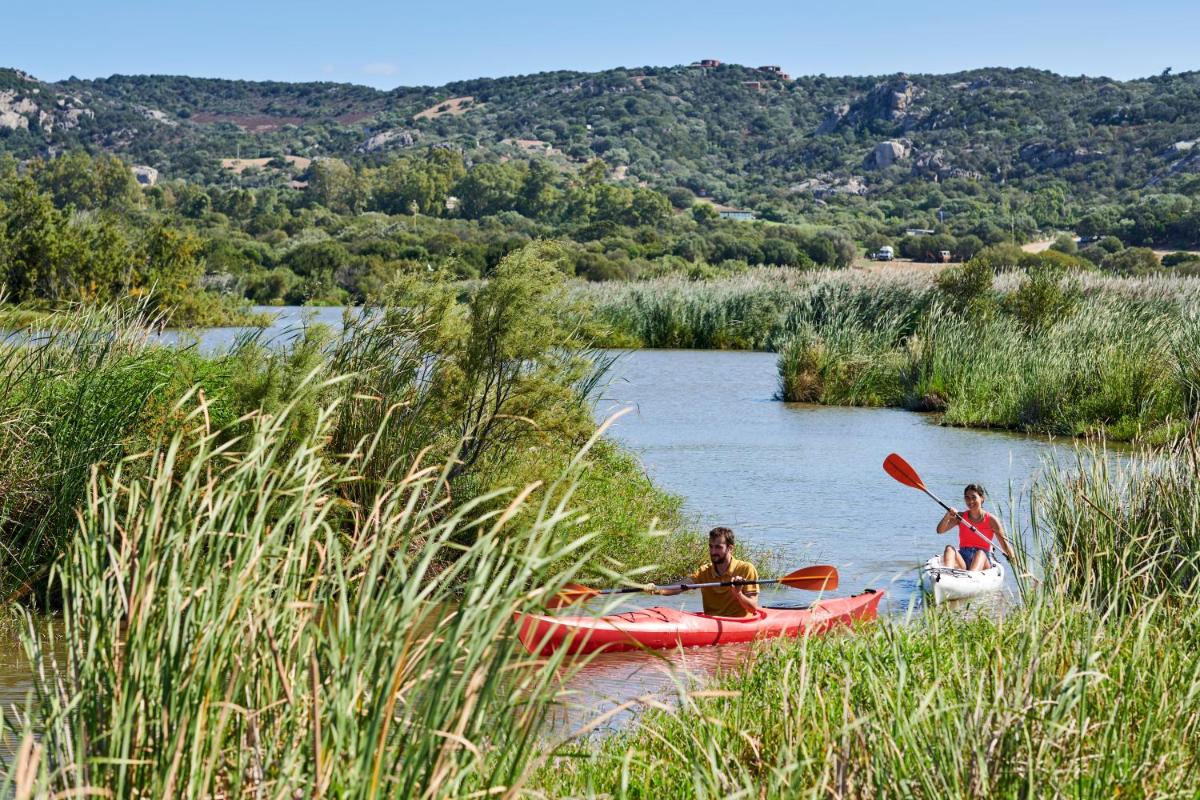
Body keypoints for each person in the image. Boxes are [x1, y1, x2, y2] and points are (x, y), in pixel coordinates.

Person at [650, 527, 760, 616]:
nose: (713, 552)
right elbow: (680, 586)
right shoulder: (704, 571)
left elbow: (752, 608)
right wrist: (656, 589)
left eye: (718, 547)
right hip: (710, 623)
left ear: (730, 548)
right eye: (711, 547)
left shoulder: (746, 569)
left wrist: (738, 593)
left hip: (738, 624)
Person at [936, 483, 1014, 571]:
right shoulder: (960, 517)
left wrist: (1015, 561)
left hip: (983, 560)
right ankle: (947, 573)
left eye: (974, 497)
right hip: (963, 559)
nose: (970, 501)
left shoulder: (992, 520)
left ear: (982, 498)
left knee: (980, 553)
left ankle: (972, 575)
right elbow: (940, 530)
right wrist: (947, 516)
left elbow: (1004, 545)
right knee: (949, 548)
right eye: (967, 498)